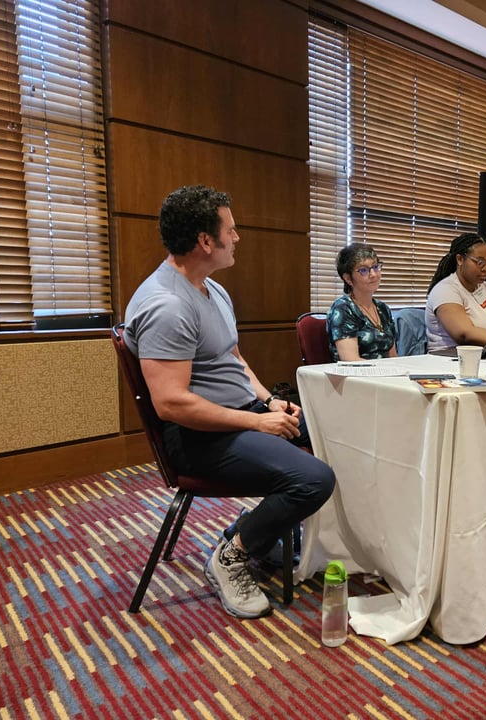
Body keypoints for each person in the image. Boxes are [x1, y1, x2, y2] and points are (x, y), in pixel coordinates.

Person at [124, 185, 335, 619]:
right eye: (231, 230)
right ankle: (232, 554)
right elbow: (172, 405)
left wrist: (268, 402)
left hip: (236, 416)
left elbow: (232, 358)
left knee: (339, 436)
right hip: (197, 437)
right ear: (206, 241)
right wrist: (255, 423)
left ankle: (269, 531)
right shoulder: (166, 305)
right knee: (314, 479)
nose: (237, 237)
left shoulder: (211, 289)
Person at [326, 244, 397, 361]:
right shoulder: (343, 308)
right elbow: (350, 360)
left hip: (385, 374)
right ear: (348, 278)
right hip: (356, 376)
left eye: (375, 267)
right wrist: (386, 371)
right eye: (363, 270)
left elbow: (393, 357)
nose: (373, 274)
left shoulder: (383, 308)